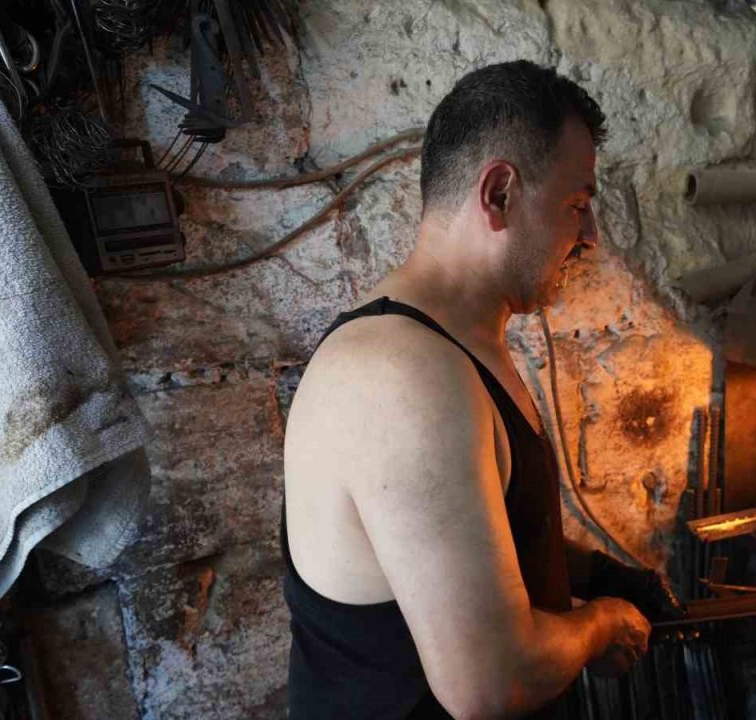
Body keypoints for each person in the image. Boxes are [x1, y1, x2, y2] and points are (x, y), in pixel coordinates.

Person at [280, 60, 683, 720]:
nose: (590, 237)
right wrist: (605, 622)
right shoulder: (401, 376)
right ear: (499, 194)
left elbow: (464, 539)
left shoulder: (455, 347)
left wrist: (589, 572)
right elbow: (491, 683)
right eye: (577, 206)